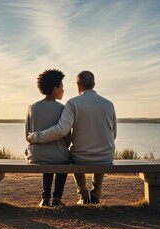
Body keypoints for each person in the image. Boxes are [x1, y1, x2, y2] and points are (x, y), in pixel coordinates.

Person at [27, 70, 116, 204]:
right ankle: (96, 194)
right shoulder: (109, 104)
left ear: (78, 85)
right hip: (106, 156)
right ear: (94, 84)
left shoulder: (73, 103)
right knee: (101, 151)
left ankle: (83, 195)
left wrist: (35, 137)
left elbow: (61, 130)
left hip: (80, 157)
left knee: (73, 155)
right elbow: (113, 134)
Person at [25, 69, 71, 207]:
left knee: (48, 157)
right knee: (61, 157)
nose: (63, 90)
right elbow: (67, 138)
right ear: (55, 89)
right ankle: (56, 198)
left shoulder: (32, 107)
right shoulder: (63, 109)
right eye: (62, 87)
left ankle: (45, 198)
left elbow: (27, 134)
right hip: (58, 157)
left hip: (36, 156)